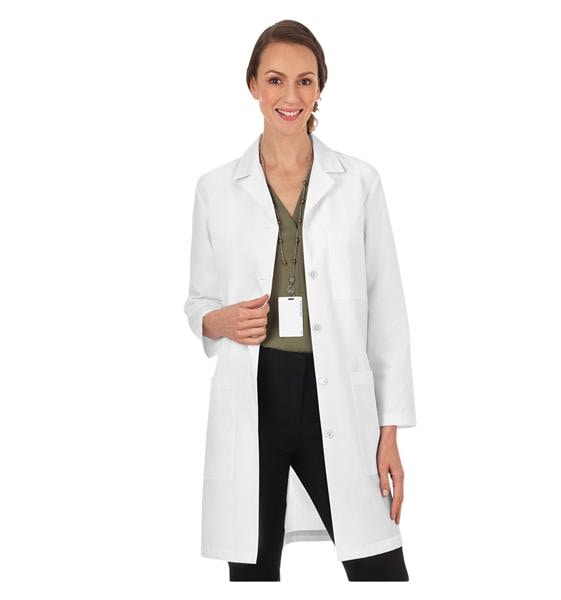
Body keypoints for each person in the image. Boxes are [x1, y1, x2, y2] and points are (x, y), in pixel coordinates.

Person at [184, 19, 416, 582]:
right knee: (253, 568)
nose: (290, 96)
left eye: (305, 81)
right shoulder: (215, 189)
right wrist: (217, 320)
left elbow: (387, 309)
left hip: (334, 393)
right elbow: (198, 303)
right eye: (275, 80)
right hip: (255, 394)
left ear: (319, 88)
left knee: (380, 568)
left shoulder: (359, 182)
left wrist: (389, 432)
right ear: (253, 85)